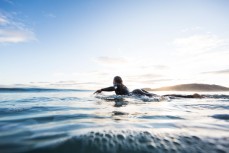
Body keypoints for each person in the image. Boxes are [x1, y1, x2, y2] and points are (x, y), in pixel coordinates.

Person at [94, 76, 203, 98]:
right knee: (162, 96)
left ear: (115, 82)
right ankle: (191, 96)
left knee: (162, 97)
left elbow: (113, 88)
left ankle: (191, 96)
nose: (113, 84)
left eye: (114, 82)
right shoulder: (122, 85)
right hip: (138, 91)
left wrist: (101, 89)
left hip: (136, 93)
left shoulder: (117, 86)